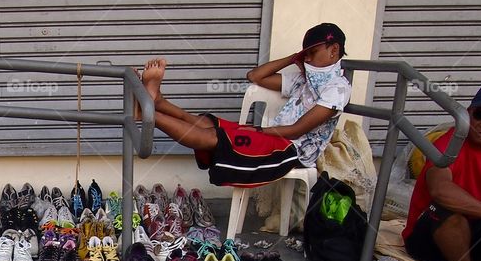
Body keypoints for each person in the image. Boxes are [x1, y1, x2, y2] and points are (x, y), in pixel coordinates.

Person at [137, 23, 352, 188]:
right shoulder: (303, 80)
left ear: (333, 50)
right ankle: (158, 103)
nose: (307, 59)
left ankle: (148, 115)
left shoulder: (337, 88)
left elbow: (300, 129)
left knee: (215, 137)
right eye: (305, 54)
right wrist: (292, 58)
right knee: (207, 122)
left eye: (312, 53)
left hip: (292, 149)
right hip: (275, 136)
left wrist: (259, 130)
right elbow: (255, 76)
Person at [403, 81, 481, 261]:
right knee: (446, 210)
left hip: (476, 236)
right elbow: (440, 190)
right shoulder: (450, 142)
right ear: (469, 113)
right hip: (429, 241)